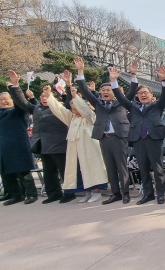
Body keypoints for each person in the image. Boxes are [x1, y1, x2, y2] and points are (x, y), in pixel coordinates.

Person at [74, 57, 131, 205]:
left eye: (109, 90)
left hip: (119, 137)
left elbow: (129, 94)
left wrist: (114, 81)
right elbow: (85, 91)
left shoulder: (121, 102)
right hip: (104, 138)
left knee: (121, 166)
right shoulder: (97, 102)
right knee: (110, 167)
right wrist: (80, 71)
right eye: (103, 90)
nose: (106, 92)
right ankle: (115, 193)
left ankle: (125, 193)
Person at [111, 65, 165, 205]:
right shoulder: (132, 107)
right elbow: (120, 97)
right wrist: (114, 81)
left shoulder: (157, 106)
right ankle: (148, 194)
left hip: (154, 139)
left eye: (146, 92)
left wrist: (164, 81)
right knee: (142, 169)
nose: (143, 95)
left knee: (158, 169)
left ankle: (160, 195)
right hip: (138, 139)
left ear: (151, 95)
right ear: (137, 96)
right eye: (140, 93)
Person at [47, 71, 109, 203]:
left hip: (90, 148)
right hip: (76, 150)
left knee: (92, 168)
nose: (75, 110)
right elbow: (60, 111)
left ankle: (96, 192)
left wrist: (74, 95)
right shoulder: (72, 119)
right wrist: (50, 97)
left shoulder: (90, 117)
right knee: (80, 170)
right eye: (73, 108)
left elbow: (85, 110)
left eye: (77, 107)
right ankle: (87, 192)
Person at [0, 72, 38, 206]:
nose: (2, 102)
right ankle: (16, 195)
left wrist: (15, 86)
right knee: (7, 174)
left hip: (18, 148)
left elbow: (20, 102)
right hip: (3, 149)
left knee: (23, 173)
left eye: (6, 99)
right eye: (0, 100)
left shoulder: (18, 111)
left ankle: (31, 194)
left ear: (12, 100)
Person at [9, 84, 70, 204]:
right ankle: (54, 193)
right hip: (43, 145)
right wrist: (15, 86)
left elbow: (69, 102)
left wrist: (66, 87)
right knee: (49, 172)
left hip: (59, 144)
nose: (43, 98)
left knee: (64, 171)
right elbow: (22, 102)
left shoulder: (59, 107)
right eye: (42, 96)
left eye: (46, 96)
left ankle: (69, 193)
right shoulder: (36, 108)